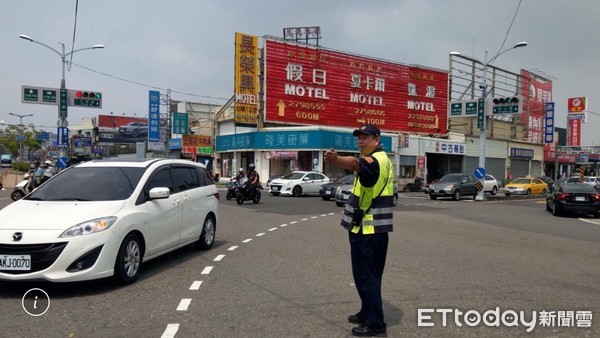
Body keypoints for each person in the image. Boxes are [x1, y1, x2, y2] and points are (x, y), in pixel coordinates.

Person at [324, 123, 393, 337]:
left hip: (369, 230)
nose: (361, 140)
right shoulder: (378, 160)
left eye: (366, 137)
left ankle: (375, 323)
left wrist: (336, 160)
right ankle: (366, 312)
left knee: (368, 276)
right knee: (363, 273)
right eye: (359, 137)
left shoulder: (375, 161)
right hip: (366, 227)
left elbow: (355, 163)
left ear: (377, 140)